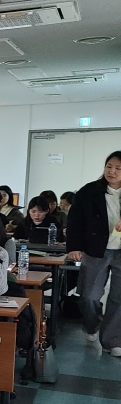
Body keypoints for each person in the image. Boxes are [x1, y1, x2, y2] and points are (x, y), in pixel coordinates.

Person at [66, 152, 121, 356]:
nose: (112, 171)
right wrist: (74, 246)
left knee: (118, 298)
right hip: (95, 249)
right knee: (89, 296)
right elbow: (75, 221)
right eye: (109, 166)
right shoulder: (89, 191)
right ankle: (92, 325)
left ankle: (112, 340)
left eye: (118, 168)